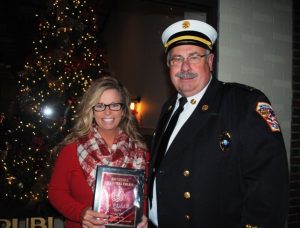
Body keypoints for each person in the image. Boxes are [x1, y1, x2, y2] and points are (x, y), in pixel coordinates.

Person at [148, 19, 289, 228]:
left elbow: (269, 187)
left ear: (211, 61)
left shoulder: (243, 103)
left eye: (194, 57)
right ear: (168, 65)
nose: (185, 67)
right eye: (177, 59)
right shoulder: (168, 108)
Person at [48, 76, 148, 228]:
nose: (107, 112)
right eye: (100, 105)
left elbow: (144, 196)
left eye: (114, 105)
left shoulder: (139, 152)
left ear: (123, 110)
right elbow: (56, 192)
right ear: (91, 110)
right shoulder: (72, 149)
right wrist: (81, 213)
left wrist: (142, 217)